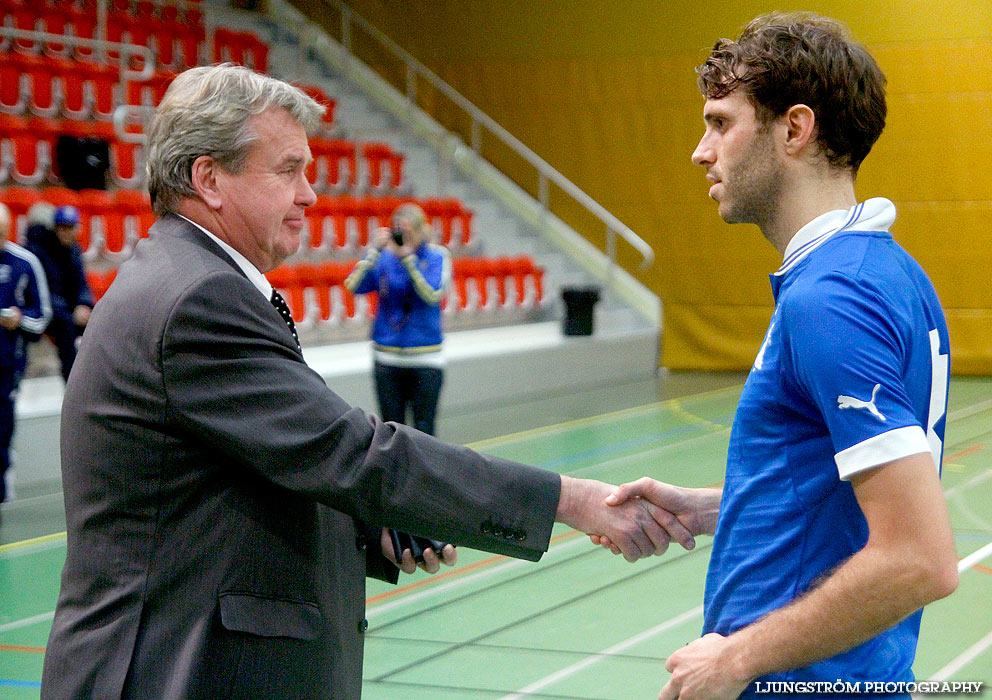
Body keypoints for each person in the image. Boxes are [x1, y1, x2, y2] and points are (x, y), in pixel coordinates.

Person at [40, 64, 691, 700]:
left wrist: (367, 528)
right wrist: (567, 499)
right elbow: (351, 453)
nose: (310, 196)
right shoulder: (200, 296)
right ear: (209, 179)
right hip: (172, 668)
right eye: (289, 170)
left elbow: (254, 477)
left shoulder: (188, 276)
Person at [595, 13, 958, 700]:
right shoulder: (885, 272)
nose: (701, 152)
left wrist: (735, 660)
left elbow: (921, 558)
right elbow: (843, 487)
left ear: (794, 129)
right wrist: (714, 509)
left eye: (720, 123)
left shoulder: (833, 298)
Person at [345, 202, 450, 435]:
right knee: (391, 432)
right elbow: (353, 285)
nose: (404, 237)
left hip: (426, 358)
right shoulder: (384, 258)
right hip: (387, 357)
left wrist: (409, 260)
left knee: (424, 430)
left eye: (409, 231)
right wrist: (373, 250)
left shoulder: (436, 256)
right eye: (399, 231)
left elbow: (431, 294)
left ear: (422, 231)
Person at [0, 203, 51, 512]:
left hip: (7, 364)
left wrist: (20, 321)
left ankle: (2, 490)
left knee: (2, 426)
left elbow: (42, 314)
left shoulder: (25, 262)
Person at [24, 203, 93, 381]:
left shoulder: (74, 250)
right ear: (55, 228)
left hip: (67, 307)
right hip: (45, 308)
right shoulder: (38, 250)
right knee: (66, 326)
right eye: (62, 228)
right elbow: (43, 290)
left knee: (99, 322)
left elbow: (81, 283)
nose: (66, 232)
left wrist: (83, 304)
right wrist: (71, 312)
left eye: (70, 228)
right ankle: (72, 381)